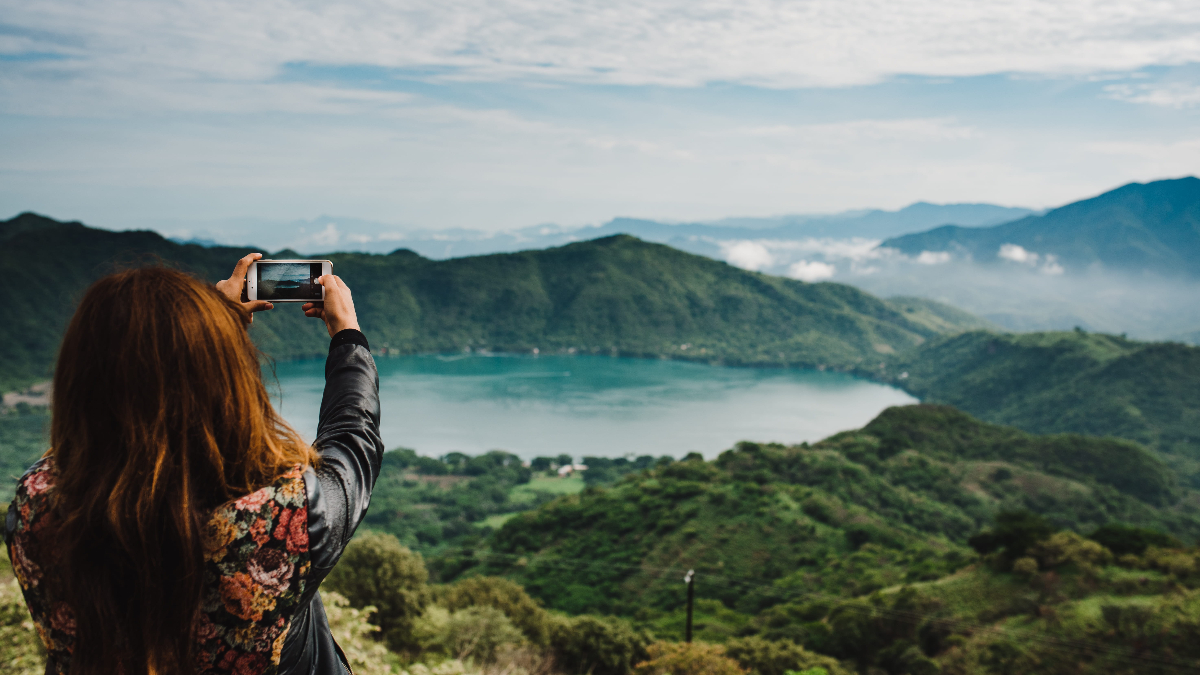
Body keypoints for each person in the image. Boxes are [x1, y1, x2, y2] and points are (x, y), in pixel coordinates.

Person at [5, 253, 383, 675]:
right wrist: (347, 335)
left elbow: (123, 423)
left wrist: (215, 329)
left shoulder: (34, 507)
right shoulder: (282, 518)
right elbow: (352, 441)